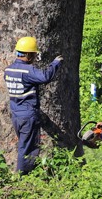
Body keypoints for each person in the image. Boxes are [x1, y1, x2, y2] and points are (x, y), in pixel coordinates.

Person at [4, 35, 62, 174]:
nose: (35, 58)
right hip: (28, 116)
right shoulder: (27, 70)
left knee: (24, 145)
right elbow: (45, 77)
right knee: (28, 148)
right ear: (29, 55)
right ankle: (23, 177)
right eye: (34, 55)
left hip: (16, 115)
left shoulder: (8, 70)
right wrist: (55, 63)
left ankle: (23, 175)